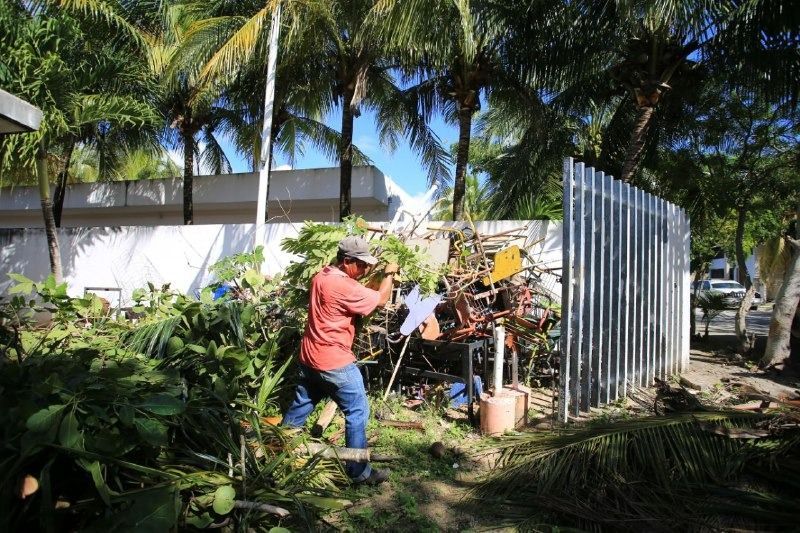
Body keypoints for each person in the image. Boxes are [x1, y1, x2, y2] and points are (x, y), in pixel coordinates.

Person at [282, 235, 398, 485]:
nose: (366, 269)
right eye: (362, 264)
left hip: (309, 357)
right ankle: (359, 474)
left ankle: (278, 451)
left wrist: (367, 276)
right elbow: (381, 299)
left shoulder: (321, 276)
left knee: (301, 405)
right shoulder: (344, 287)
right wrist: (389, 274)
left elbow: (353, 292)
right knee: (357, 411)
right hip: (334, 361)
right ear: (347, 261)